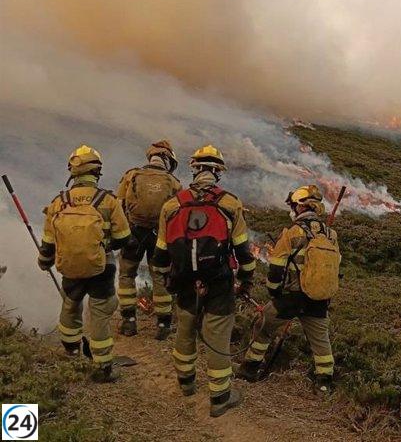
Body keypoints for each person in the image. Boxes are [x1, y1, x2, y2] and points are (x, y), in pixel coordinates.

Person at [151, 145, 256, 417]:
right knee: (217, 337)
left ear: (194, 169)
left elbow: (161, 254)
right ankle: (220, 398)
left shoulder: (172, 205)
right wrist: (245, 280)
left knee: (184, 329)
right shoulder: (230, 203)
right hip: (219, 282)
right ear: (218, 172)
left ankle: (186, 384)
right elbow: (244, 252)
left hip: (184, 281)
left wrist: (167, 278)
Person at [38, 145, 131, 382]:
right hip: (102, 267)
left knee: (70, 306)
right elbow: (123, 238)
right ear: (97, 172)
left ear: (73, 171)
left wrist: (44, 261)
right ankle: (103, 368)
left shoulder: (59, 202)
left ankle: (71, 354)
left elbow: (48, 240)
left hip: (70, 266)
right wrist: (103, 246)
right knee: (99, 313)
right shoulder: (108, 201)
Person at [237, 185, 337, 394]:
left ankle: (249, 370)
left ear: (301, 207)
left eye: (293, 205)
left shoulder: (292, 233)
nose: (292, 209)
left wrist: (274, 293)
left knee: (263, 325)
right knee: (321, 342)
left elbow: (276, 269)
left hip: (291, 297)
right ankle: (324, 383)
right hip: (319, 298)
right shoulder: (330, 234)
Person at [116, 140, 182, 339]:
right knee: (160, 278)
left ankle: (129, 322)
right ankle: (163, 324)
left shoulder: (131, 175)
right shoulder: (173, 182)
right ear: (168, 159)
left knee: (127, 276)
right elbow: (178, 214)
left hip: (133, 234)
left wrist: (122, 234)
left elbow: (119, 206)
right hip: (159, 238)